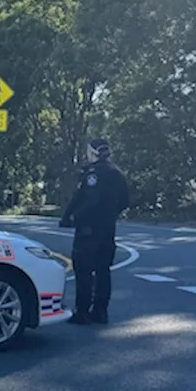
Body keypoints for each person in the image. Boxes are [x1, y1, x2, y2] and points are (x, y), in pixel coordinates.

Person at [60, 138, 129, 324]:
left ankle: (82, 312)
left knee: (83, 270)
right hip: (108, 228)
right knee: (103, 270)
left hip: (88, 229)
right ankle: (100, 311)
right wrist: (111, 214)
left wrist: (74, 217)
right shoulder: (117, 172)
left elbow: (89, 199)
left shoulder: (93, 174)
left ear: (93, 152)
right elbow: (125, 200)